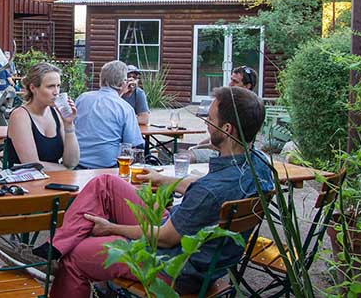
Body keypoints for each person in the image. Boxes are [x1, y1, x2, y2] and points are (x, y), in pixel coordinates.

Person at [39, 86, 274, 296]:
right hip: (195, 249)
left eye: (210, 119)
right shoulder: (259, 166)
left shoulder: (211, 190)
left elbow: (165, 238)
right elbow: (203, 194)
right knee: (106, 184)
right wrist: (163, 179)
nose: (205, 123)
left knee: (76, 256)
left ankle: (59, 255)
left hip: (173, 265)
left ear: (227, 128)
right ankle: (55, 246)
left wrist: (111, 228)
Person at [5, 62, 80, 171]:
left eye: (58, 86)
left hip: (54, 181)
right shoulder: (20, 116)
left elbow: (72, 162)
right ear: (33, 88)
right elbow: (32, 165)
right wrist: (65, 169)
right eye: (50, 87)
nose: (56, 92)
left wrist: (69, 125)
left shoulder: (56, 113)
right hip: (25, 183)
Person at [72, 60, 143, 169]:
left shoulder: (82, 98)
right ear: (124, 83)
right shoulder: (124, 108)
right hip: (107, 169)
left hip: (75, 165)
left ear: (101, 80)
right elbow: (132, 145)